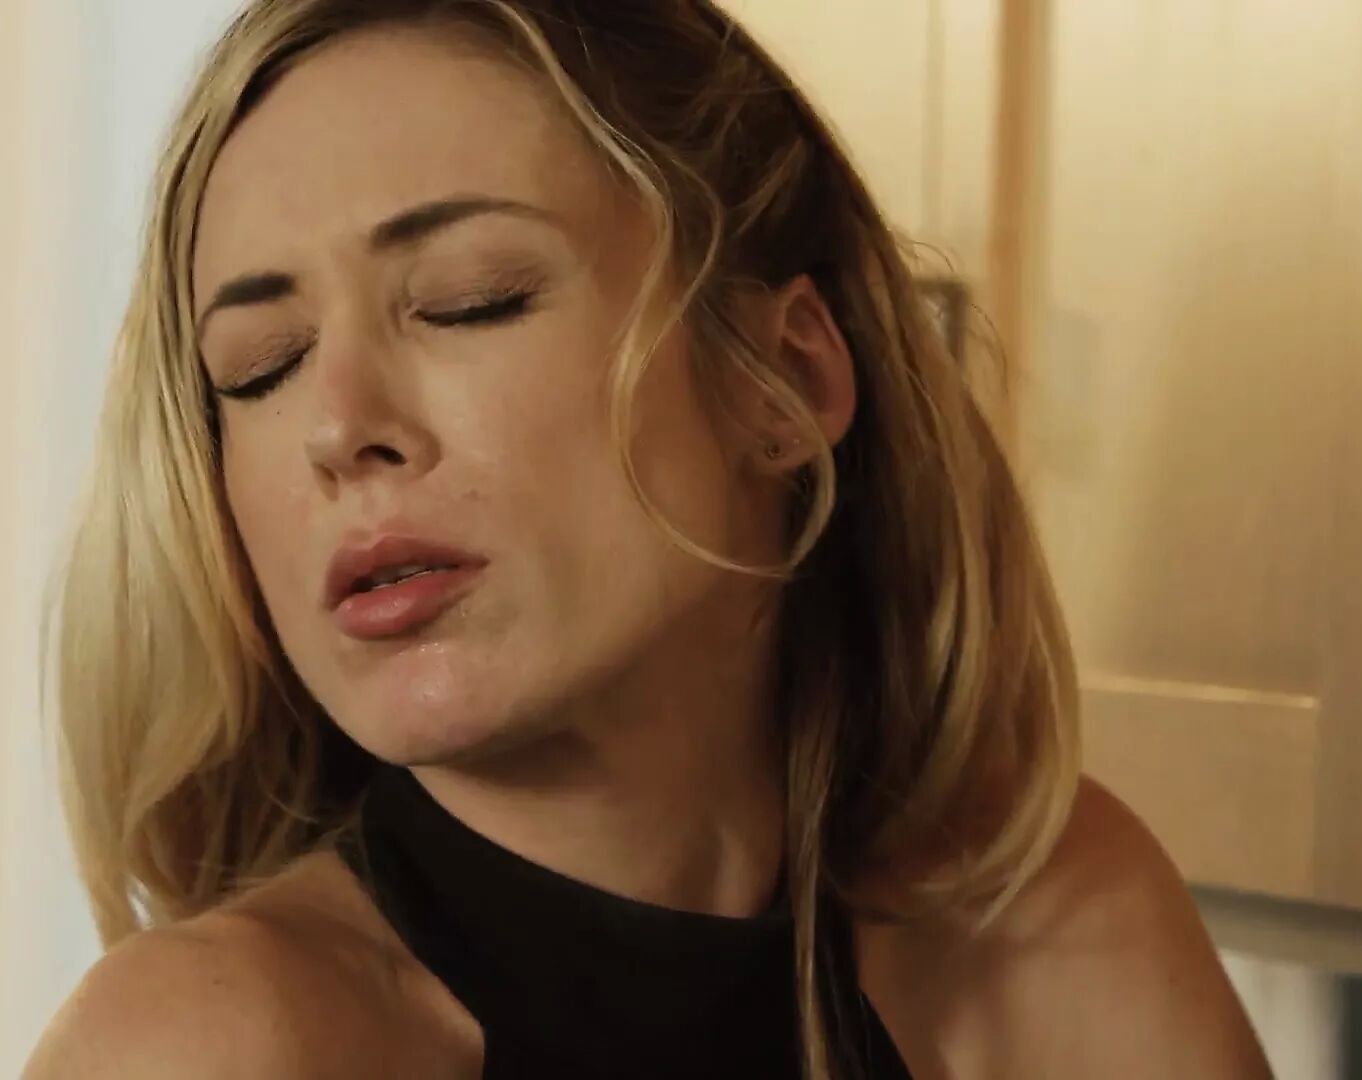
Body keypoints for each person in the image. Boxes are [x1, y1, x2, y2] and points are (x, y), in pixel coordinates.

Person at [24, 1, 1270, 1077]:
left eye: (470, 302)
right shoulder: (209, 1044)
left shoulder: (1056, 928)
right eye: (260, 368)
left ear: (780, 381)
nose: (337, 428)